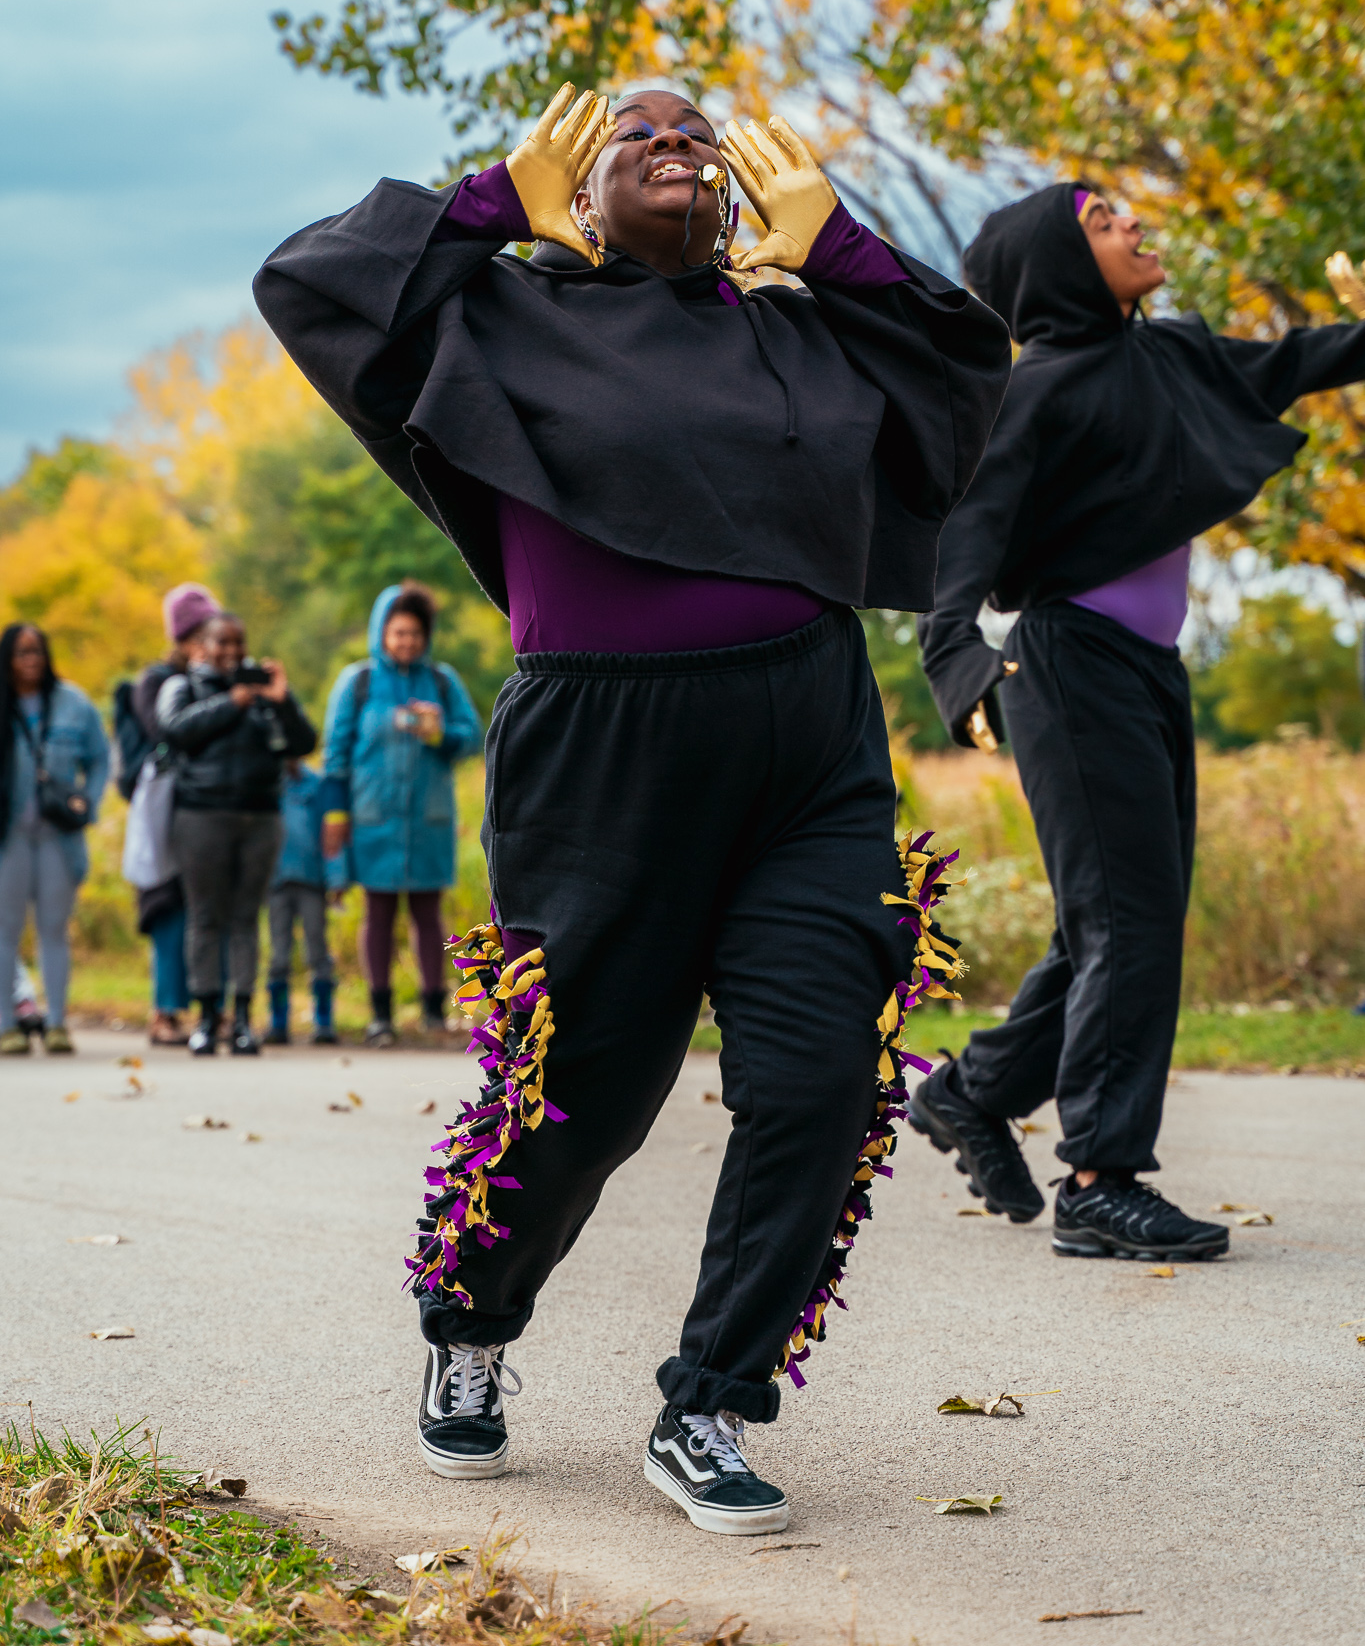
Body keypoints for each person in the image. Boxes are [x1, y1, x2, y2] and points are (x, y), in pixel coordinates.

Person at [253, 81, 1009, 1534]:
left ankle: (711, 1400)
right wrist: (486, 202)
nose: (678, 142)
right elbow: (306, 283)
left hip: (806, 739)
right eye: (635, 134)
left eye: (699, 134)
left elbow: (970, 375)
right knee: (582, 1093)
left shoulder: (796, 327)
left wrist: (841, 248)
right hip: (600, 755)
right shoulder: (496, 318)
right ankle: (470, 1325)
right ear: (573, 189)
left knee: (824, 1078)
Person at [914, 183, 1365, 1263]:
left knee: (1112, 916)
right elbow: (963, 538)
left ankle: (975, 1091)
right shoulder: (1039, 390)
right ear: (1061, 263)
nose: (1132, 222)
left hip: (1149, 671)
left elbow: (1299, 359)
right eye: (1102, 216)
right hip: (1066, 668)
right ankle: (1100, 1179)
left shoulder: (1169, 355)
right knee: (1130, 921)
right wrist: (960, 661)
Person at [320, 583, 482, 1045]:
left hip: (429, 819)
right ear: (381, 633)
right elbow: (335, 754)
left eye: (415, 633)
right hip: (372, 817)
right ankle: (380, 1013)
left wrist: (440, 733)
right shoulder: (359, 682)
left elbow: (472, 738)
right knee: (379, 911)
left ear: (426, 635)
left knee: (429, 913)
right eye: (398, 632)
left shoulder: (443, 681)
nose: (407, 641)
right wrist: (335, 815)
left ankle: (434, 1008)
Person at [157, 613, 316, 1055]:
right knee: (205, 916)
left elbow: (304, 742)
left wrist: (280, 700)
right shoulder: (183, 686)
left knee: (246, 918)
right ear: (202, 646)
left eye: (237, 643)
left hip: (261, 817)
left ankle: (244, 1018)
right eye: (220, 642)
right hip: (201, 815)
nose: (230, 651)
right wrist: (234, 702)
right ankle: (207, 1018)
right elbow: (174, 730)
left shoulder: (265, 690)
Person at [0, 623, 110, 1055]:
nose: (31, 659)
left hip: (57, 837)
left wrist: (88, 802)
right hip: (8, 837)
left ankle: (59, 1022)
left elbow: (101, 759)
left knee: (54, 930)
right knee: (5, 932)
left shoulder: (74, 704)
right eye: (22, 651)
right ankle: (6, 1024)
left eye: (38, 651)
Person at [123, 582, 222, 1045]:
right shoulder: (157, 681)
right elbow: (170, 731)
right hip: (168, 809)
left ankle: (209, 1007)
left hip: (212, 807)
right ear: (184, 638)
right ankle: (165, 1011)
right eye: (204, 633)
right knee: (167, 907)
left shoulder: (223, 677)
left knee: (206, 911)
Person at [265, 757, 339, 1046]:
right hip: (276, 882)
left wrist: (336, 878)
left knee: (317, 951)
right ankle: (278, 1021)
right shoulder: (267, 784)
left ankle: (323, 1020)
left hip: (312, 880)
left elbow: (331, 837)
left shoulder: (317, 785)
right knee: (278, 955)